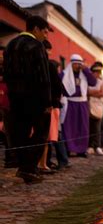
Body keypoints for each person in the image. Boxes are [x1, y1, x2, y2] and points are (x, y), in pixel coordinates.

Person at [4, 16, 52, 183]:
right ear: (36, 29)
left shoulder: (10, 45)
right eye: (44, 31)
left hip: (16, 99)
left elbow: (6, 74)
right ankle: (29, 168)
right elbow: (43, 77)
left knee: (21, 134)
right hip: (35, 99)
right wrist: (47, 102)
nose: (46, 36)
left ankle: (25, 168)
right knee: (41, 133)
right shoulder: (36, 46)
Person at [61, 54, 96, 157]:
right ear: (71, 64)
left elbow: (93, 82)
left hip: (82, 104)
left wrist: (86, 70)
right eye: (75, 63)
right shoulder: (64, 74)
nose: (77, 66)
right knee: (69, 127)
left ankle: (81, 149)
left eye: (79, 64)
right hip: (70, 103)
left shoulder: (84, 74)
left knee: (83, 127)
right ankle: (69, 149)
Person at [38, 40, 62, 173]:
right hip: (48, 106)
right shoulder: (47, 66)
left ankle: (42, 163)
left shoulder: (41, 65)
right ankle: (42, 164)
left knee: (44, 137)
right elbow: (58, 87)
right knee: (45, 137)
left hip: (44, 105)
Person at [87, 62, 103, 155]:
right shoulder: (88, 81)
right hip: (90, 105)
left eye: (99, 71)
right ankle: (90, 145)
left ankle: (99, 145)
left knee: (99, 127)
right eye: (95, 71)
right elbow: (87, 92)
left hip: (100, 106)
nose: (97, 73)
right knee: (90, 126)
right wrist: (95, 93)